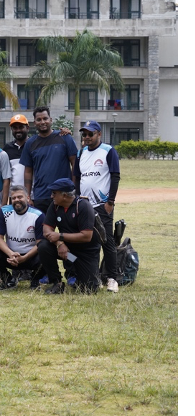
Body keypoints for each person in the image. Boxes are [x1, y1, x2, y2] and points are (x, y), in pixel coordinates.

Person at [76, 121, 122, 292]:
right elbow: (77, 178)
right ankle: (94, 275)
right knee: (88, 241)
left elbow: (115, 176)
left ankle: (112, 278)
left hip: (103, 205)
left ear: (99, 134)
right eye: (85, 134)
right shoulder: (81, 153)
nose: (87, 137)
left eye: (91, 134)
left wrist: (110, 202)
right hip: (85, 205)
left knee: (107, 241)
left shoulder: (108, 151)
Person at [35, 178, 101, 294]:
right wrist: (60, 244)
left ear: (64, 195)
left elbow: (86, 236)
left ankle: (79, 273)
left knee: (89, 289)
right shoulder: (55, 206)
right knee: (44, 246)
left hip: (84, 255)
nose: (51, 196)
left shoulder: (83, 206)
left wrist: (60, 236)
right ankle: (57, 283)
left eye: (54, 193)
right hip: (68, 253)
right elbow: (46, 230)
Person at [20, 106, 78, 210]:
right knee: (43, 226)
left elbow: (74, 163)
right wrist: (27, 196)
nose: (42, 122)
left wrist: (74, 188)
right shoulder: (30, 143)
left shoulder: (64, 137)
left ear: (50, 120)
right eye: (39, 119)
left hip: (64, 195)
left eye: (45, 118)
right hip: (41, 196)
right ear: (34, 123)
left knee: (67, 226)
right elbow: (28, 172)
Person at [0, 187, 44, 289]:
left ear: (28, 198)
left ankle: (35, 280)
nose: (16, 200)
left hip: (31, 257)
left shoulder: (38, 215)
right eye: (14, 198)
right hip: (11, 257)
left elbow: (40, 243)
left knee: (47, 251)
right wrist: (10, 253)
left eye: (20, 197)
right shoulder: (4, 212)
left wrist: (25, 257)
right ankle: (8, 280)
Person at [3, 114, 31, 189]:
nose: (18, 130)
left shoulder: (34, 145)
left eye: (21, 127)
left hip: (33, 195)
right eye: (15, 128)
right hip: (14, 195)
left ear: (27, 128)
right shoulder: (7, 148)